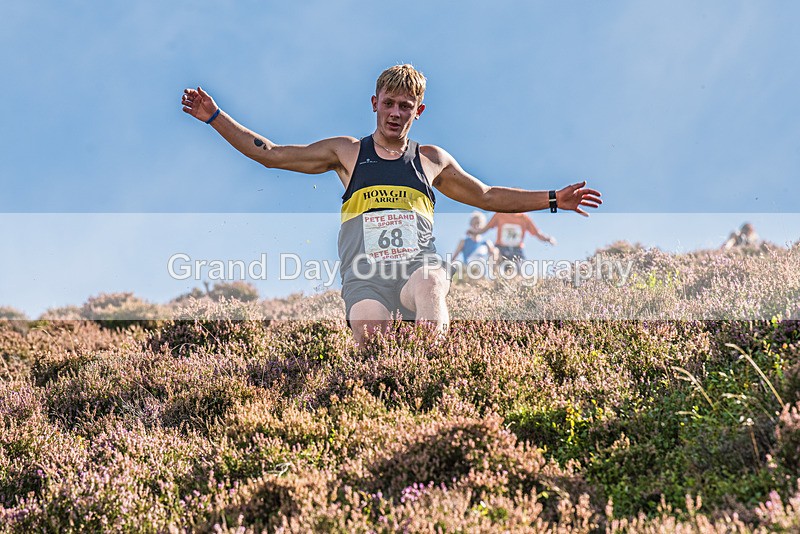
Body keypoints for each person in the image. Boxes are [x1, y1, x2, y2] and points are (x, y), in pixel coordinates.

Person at [181, 64, 602, 344]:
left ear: (418, 111)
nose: (395, 113)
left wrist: (553, 199)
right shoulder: (346, 152)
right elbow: (270, 153)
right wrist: (216, 116)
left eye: (405, 106)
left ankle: (430, 370)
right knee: (373, 338)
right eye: (388, 103)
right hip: (364, 277)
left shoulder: (431, 160)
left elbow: (487, 195)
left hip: (416, 266)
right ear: (374, 104)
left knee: (434, 283)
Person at [477, 212, 556, 266]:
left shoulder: (524, 218)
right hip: (501, 248)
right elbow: (485, 228)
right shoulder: (500, 215)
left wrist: (548, 238)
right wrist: (474, 232)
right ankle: (494, 279)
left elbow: (537, 233)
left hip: (517, 250)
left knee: (518, 273)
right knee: (494, 254)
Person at [452, 212, 500, 280]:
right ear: (470, 225)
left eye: (479, 223)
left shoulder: (487, 243)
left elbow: (495, 259)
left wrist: (495, 252)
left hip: (483, 277)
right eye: (474, 223)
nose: (476, 226)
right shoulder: (464, 242)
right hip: (468, 276)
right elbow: (453, 259)